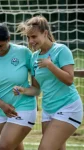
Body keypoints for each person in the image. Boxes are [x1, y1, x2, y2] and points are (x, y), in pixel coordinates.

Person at [17, 16, 83, 150]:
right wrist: (23, 90)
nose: (31, 41)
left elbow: (69, 80)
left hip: (68, 107)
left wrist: (50, 65)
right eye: (28, 38)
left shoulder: (61, 50)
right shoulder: (34, 57)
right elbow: (36, 89)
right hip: (48, 110)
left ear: (45, 33)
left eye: (34, 36)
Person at [0, 23, 37, 150]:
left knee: (2, 147)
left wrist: (24, 91)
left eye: (1, 45)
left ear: (9, 39)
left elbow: (36, 86)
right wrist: (3, 106)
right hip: (0, 111)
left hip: (23, 107)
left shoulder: (23, 52)